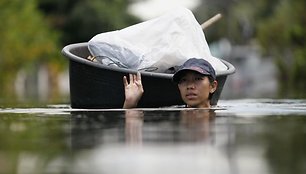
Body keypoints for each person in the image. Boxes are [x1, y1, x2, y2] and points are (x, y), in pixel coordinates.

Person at [123, 58, 218, 109]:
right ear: (178, 86)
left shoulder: (216, 122)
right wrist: (130, 103)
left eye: (198, 79)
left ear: (212, 86)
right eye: (184, 80)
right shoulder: (173, 115)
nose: (190, 86)